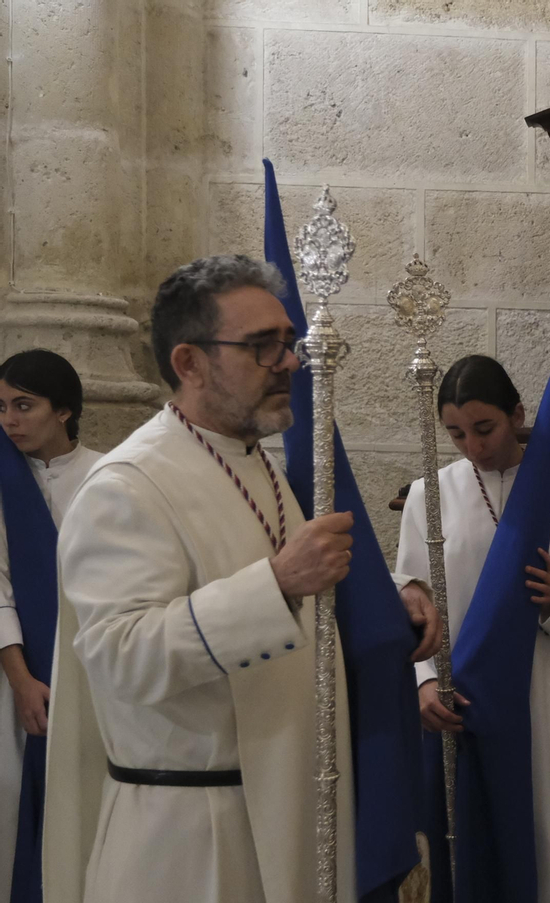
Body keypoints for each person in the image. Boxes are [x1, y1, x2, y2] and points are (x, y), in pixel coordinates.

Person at [42, 255, 440, 903]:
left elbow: (279, 602)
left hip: (281, 811)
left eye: (286, 342)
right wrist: (278, 584)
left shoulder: (254, 461)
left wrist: (387, 607)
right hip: (193, 840)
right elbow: (121, 658)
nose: (289, 361)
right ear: (189, 362)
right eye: (262, 346)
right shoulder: (125, 486)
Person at [396, 354, 550, 903]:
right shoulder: (428, 494)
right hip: (458, 703)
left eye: (485, 428)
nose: (473, 445)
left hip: (542, 700)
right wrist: (424, 681)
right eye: (456, 433)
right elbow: (411, 604)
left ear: (517, 413)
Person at [0, 350, 102, 899]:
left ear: (63, 411)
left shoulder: (108, 474)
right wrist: (21, 681)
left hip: (92, 667)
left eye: (23, 405)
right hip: (16, 677)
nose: (8, 420)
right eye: (0, 407)